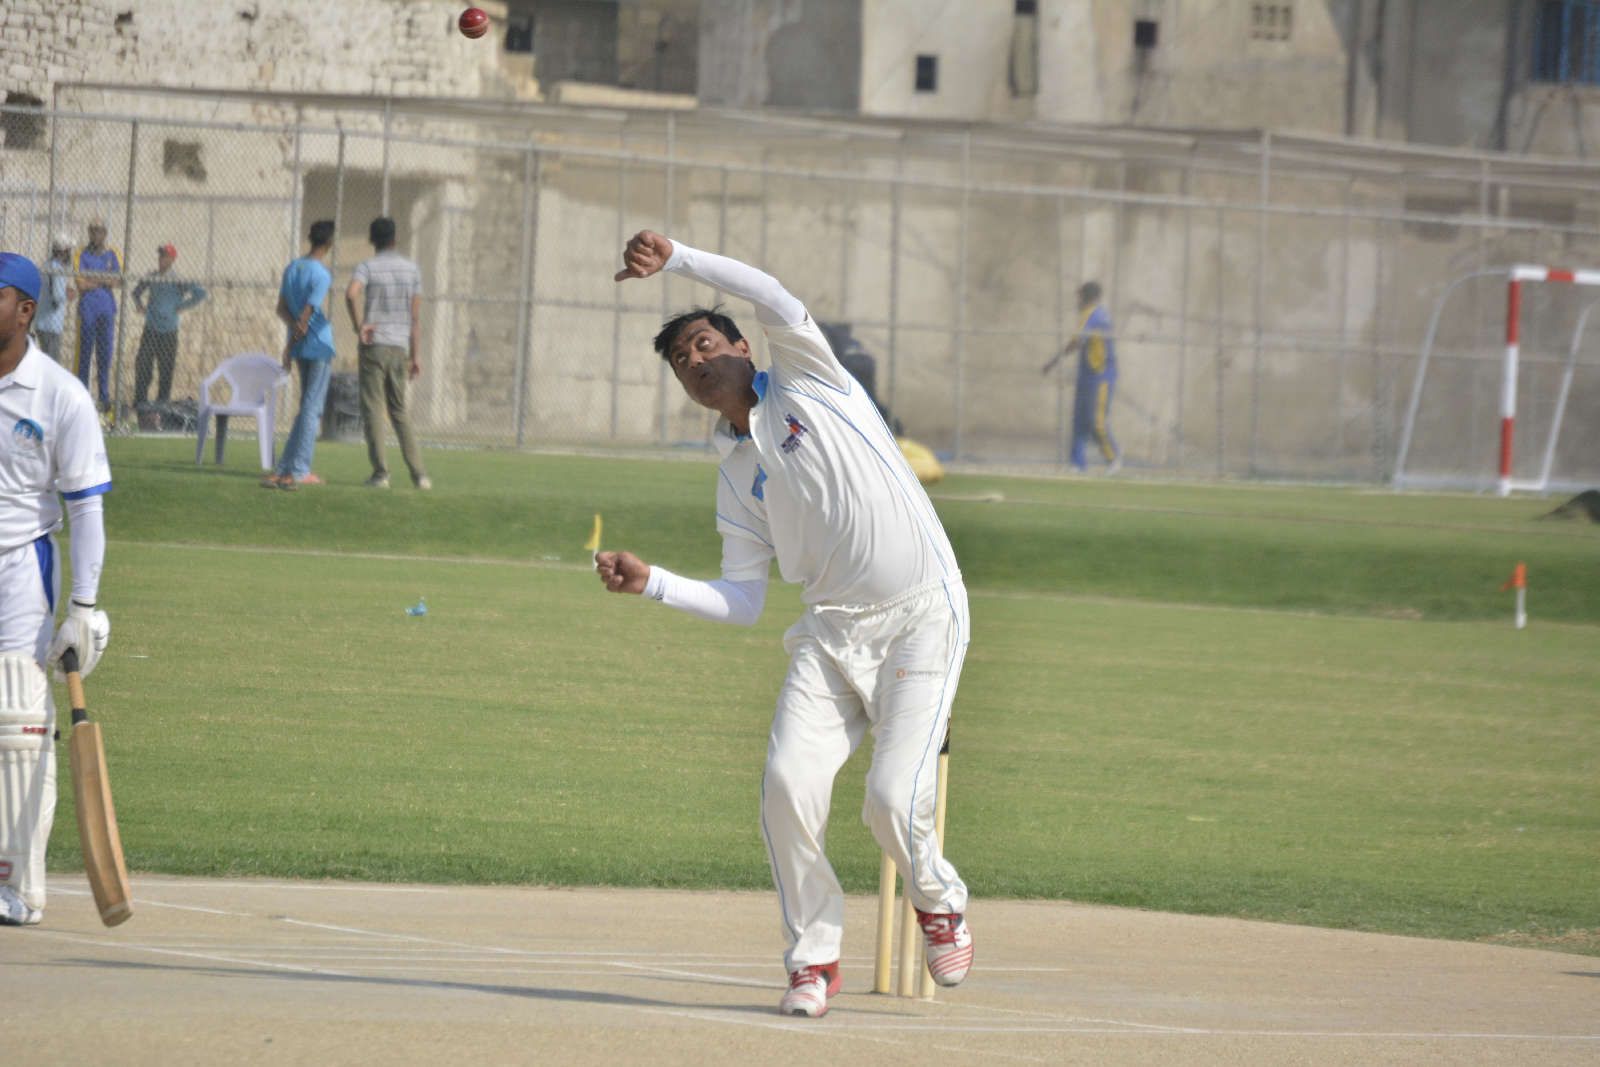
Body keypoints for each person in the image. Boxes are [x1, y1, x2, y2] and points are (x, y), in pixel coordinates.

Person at [597, 231, 974, 1019]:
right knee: (784, 785)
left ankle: (938, 899)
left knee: (889, 798)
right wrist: (654, 582)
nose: (697, 362)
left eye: (706, 344)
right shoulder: (737, 478)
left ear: (743, 347)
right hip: (830, 633)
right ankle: (813, 960)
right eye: (682, 362)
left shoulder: (809, 376)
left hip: (921, 614)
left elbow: (768, 290)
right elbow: (744, 599)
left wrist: (679, 258)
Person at [0, 252, 113, 928]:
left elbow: (85, 506)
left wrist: (82, 608)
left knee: (16, 717)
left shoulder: (60, 394)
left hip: (20, 568)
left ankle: (17, 884)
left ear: (25, 310)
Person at [344, 217, 430, 490]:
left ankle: (381, 474)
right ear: (395, 239)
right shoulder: (412, 269)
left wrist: (360, 326)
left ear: (373, 240)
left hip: (375, 345)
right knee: (399, 410)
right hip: (399, 346)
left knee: (373, 408)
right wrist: (415, 355)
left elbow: (351, 294)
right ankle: (420, 475)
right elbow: (415, 317)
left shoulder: (368, 266)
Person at [263, 220, 336, 490]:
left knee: (306, 407)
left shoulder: (292, 268)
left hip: (301, 346)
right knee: (312, 409)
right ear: (329, 243)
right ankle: (299, 470)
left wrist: (291, 345)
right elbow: (306, 318)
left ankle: (285, 468)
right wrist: (289, 345)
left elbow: (282, 309)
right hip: (318, 345)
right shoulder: (321, 274)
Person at [1041, 281, 1120, 473]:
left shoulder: (1091, 314)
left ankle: (1114, 457)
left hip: (1100, 376)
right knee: (1079, 420)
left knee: (1096, 421)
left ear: (1086, 297)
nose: (1077, 301)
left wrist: (1053, 361)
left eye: (1079, 297)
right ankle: (1077, 463)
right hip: (1087, 375)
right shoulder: (1100, 314)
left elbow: (1077, 342)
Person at [131, 244, 206, 409]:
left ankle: (162, 405)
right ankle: (140, 402)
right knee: (143, 364)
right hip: (151, 329)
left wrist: (182, 306)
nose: (161, 259)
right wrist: (140, 306)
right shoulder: (152, 276)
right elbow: (136, 292)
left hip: (169, 331)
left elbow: (200, 294)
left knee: (166, 369)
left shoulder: (178, 280)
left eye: (165, 256)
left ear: (172, 260)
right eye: (160, 256)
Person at [74, 220, 121, 411]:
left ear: (105, 233)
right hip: (88, 310)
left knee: (105, 355)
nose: (95, 235)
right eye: (92, 231)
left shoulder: (112, 254)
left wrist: (93, 278)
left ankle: (104, 397)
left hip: (107, 311)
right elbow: (80, 284)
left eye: (99, 231)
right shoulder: (81, 254)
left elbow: (117, 281)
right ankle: (82, 395)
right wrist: (104, 279)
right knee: (84, 355)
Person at [33, 236, 73, 361]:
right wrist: (68, 295)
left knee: (47, 360)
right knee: (52, 362)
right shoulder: (58, 269)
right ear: (64, 251)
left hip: (42, 321)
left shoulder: (48, 264)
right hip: (51, 324)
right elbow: (57, 296)